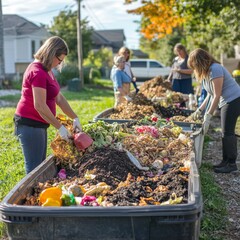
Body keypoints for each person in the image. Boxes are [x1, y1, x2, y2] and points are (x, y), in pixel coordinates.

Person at [14, 36, 82, 174]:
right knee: (34, 170)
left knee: (40, 167)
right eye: (59, 60)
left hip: (39, 125)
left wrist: (75, 117)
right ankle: (27, 195)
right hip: (30, 124)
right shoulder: (37, 71)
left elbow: (59, 98)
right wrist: (59, 127)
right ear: (51, 52)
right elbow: (39, 105)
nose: (59, 64)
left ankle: (37, 194)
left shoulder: (47, 70)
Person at [188, 48, 240, 173]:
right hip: (227, 100)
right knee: (224, 131)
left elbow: (217, 95)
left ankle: (232, 164)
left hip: (234, 99)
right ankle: (225, 161)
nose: (194, 68)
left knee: (228, 132)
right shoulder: (207, 73)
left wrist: (209, 115)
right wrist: (199, 110)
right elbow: (210, 94)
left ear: (199, 62)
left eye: (194, 65)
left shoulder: (215, 69)